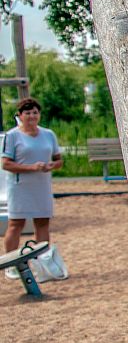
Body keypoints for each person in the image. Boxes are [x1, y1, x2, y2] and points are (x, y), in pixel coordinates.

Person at [3, 98, 63, 279]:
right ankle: (11, 264)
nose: (31, 116)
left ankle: (42, 262)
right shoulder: (12, 135)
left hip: (42, 185)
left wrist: (51, 166)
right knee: (16, 224)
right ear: (20, 116)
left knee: (42, 222)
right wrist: (31, 168)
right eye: (27, 113)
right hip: (20, 186)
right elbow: (6, 164)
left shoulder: (48, 134)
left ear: (39, 115)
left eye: (35, 112)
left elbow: (59, 160)